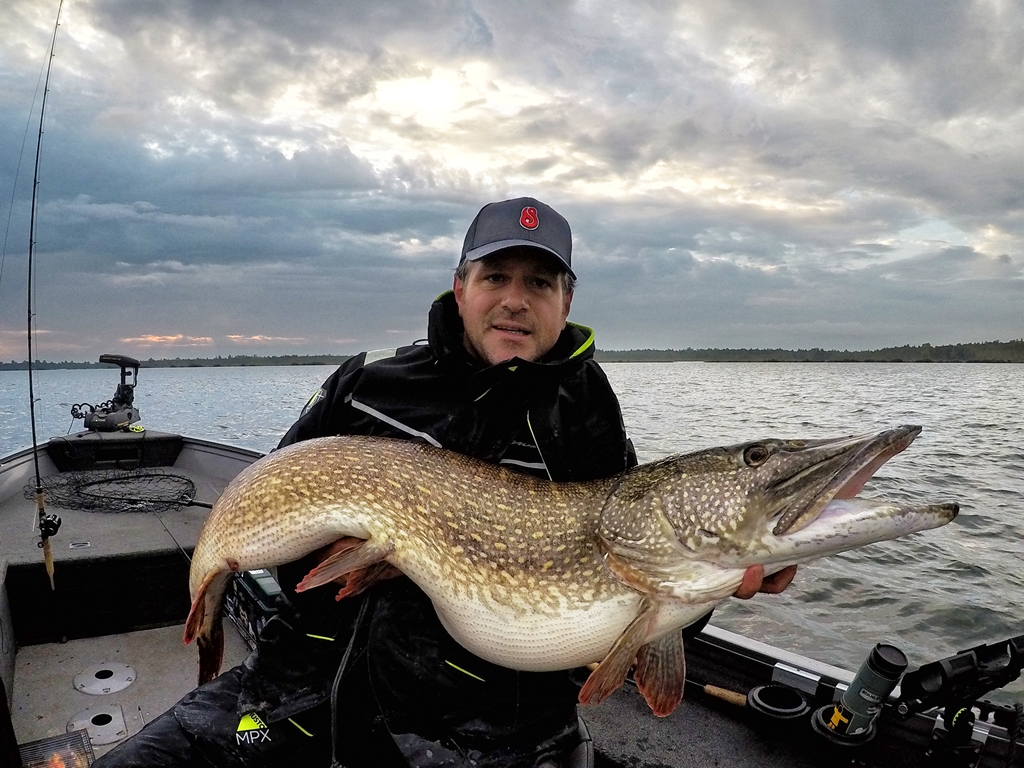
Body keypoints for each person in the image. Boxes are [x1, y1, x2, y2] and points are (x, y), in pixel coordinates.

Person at [96, 197, 795, 768]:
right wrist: (300, 558)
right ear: (461, 288)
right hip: (297, 689)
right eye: (496, 278)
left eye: (539, 283)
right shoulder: (368, 384)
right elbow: (272, 501)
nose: (515, 302)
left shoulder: (588, 423)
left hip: (479, 731)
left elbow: (632, 586)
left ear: (566, 299)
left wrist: (715, 585)